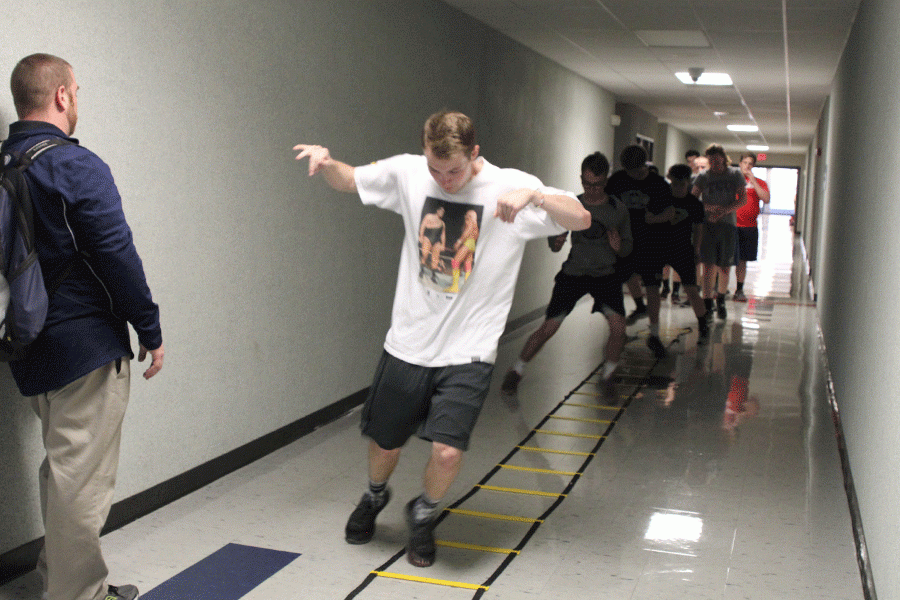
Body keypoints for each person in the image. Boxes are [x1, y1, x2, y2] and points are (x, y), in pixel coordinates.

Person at [293, 110, 590, 568]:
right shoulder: (410, 173)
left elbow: (582, 218)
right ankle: (374, 498)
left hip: (470, 349)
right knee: (385, 445)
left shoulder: (510, 186)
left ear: (475, 154)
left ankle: (424, 514)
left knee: (448, 451)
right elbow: (351, 180)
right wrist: (327, 162)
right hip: (408, 343)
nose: (444, 180)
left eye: (453, 171)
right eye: (436, 169)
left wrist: (537, 195)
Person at [2, 54, 164, 600]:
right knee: (81, 486)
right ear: (63, 97)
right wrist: (150, 327)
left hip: (28, 346)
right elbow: (116, 252)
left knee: (63, 474)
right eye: (77, 91)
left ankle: (67, 583)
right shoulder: (74, 164)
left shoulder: (5, 165)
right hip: (86, 347)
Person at [500, 152, 632, 397]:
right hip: (575, 273)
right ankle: (516, 370)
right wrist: (557, 241)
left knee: (618, 327)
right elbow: (554, 245)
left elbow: (627, 248)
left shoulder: (617, 209)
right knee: (549, 326)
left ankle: (609, 374)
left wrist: (618, 246)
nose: (592, 190)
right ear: (581, 179)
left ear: (606, 181)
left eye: (598, 185)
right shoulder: (572, 205)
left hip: (605, 275)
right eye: (587, 184)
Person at [606, 144, 672, 357]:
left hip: (651, 242)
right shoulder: (617, 180)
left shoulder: (658, 183)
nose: (632, 175)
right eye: (629, 171)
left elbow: (670, 211)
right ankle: (618, 331)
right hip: (624, 242)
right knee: (615, 284)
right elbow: (606, 206)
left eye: (636, 171)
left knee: (652, 286)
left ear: (644, 166)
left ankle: (654, 334)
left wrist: (655, 218)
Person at [648, 164, 709, 342]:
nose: (677, 188)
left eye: (681, 184)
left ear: (688, 182)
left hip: (682, 249)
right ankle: (654, 328)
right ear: (670, 181)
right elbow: (649, 220)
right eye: (674, 184)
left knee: (691, 289)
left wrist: (697, 249)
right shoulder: (660, 199)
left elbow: (698, 229)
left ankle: (703, 323)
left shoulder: (694, 204)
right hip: (659, 247)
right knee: (653, 289)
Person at [691, 144, 746, 321]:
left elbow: (742, 199)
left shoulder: (734, 174)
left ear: (723, 158)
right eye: (711, 160)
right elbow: (692, 199)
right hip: (708, 224)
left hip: (728, 224)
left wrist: (724, 211)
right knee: (708, 265)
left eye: (717, 159)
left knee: (724, 266)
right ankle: (707, 302)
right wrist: (709, 208)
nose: (715, 162)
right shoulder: (703, 177)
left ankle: (721, 298)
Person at [733, 152, 770, 301]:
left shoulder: (760, 182)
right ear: (740, 164)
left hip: (749, 227)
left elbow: (766, 199)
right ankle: (718, 289)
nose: (747, 166)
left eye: (750, 163)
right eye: (745, 162)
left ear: (753, 166)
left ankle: (739, 290)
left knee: (742, 260)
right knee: (724, 259)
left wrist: (753, 181)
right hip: (731, 226)